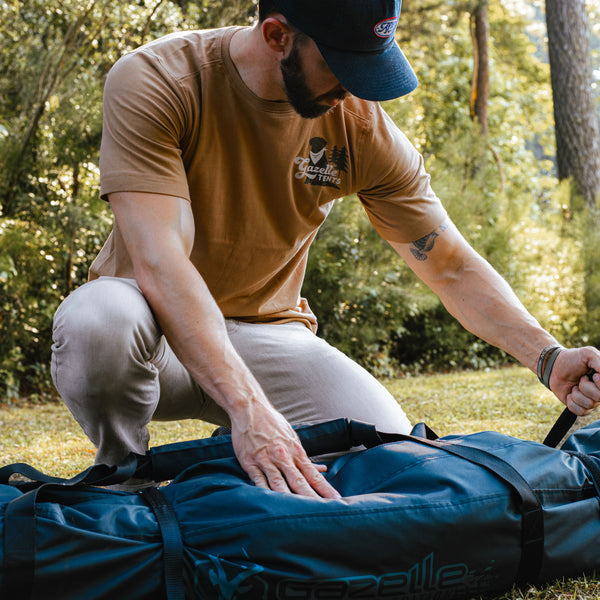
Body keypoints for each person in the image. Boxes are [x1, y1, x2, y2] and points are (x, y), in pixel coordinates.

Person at [51, 0, 600, 497]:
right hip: (152, 334)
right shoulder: (159, 80)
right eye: (340, 65)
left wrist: (546, 357)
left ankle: (247, 477)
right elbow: (160, 260)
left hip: (268, 335)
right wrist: (249, 410)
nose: (354, 89)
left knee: (387, 452)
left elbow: (449, 264)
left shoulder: (361, 126)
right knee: (98, 320)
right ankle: (120, 482)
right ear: (277, 35)